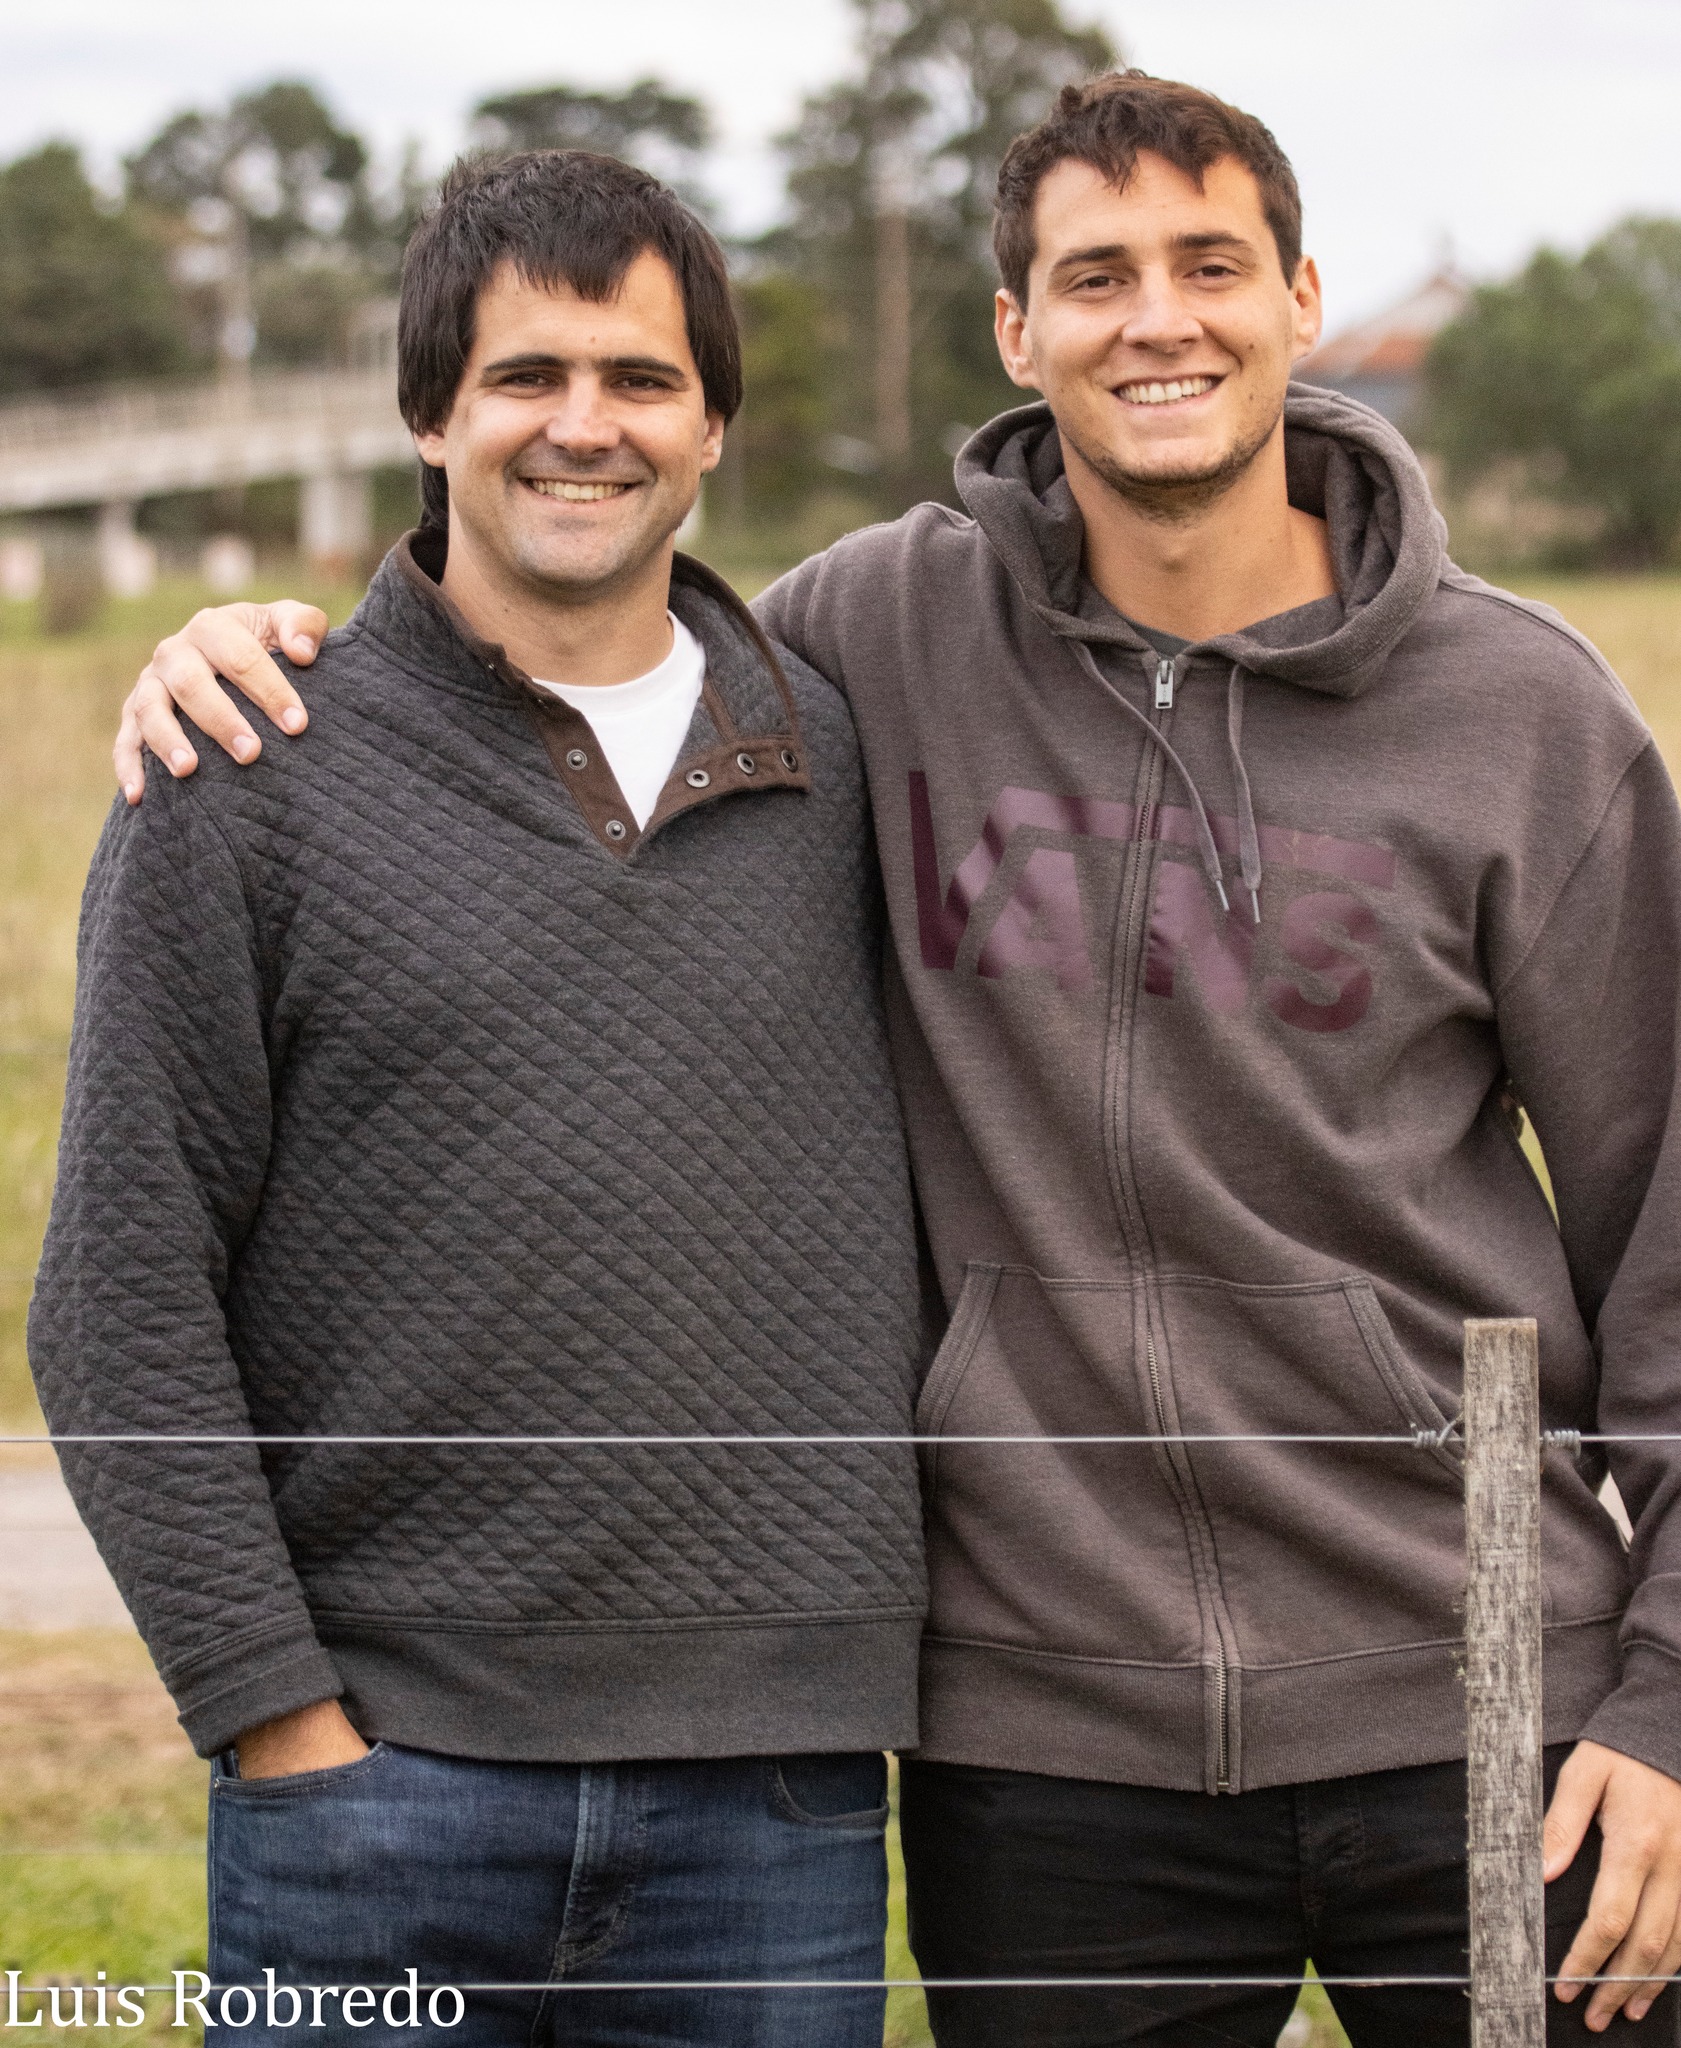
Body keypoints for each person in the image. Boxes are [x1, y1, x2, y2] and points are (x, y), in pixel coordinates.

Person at [112, 71, 1681, 2046]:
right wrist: (266, 658)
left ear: (1300, 297)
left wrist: (1670, 1700)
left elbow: (1663, 1233)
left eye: (1208, 264)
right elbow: (565, 655)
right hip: (1048, 1735)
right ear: (1016, 331)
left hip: (1490, 1697)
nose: (1157, 319)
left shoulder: (1523, 713)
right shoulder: (872, 636)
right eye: (1093, 276)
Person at [31, 147, 932, 2048]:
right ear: (428, 415)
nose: (582, 426)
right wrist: (277, 1718)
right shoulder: (244, 768)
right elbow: (118, 1294)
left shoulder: (850, 765)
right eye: (526, 375)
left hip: (772, 1799)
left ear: (710, 428)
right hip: (378, 1783)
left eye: (639, 379)